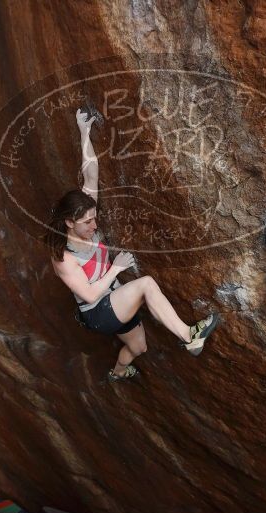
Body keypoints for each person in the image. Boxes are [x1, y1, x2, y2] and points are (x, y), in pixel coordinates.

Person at [45, 109, 219, 382]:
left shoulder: (85, 211)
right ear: (70, 222)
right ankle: (189, 337)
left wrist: (84, 131)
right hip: (98, 312)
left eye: (95, 219)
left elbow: (91, 172)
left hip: (115, 297)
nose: (94, 226)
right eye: (87, 223)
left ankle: (119, 372)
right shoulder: (63, 258)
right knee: (147, 284)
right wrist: (115, 269)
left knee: (139, 346)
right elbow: (90, 296)